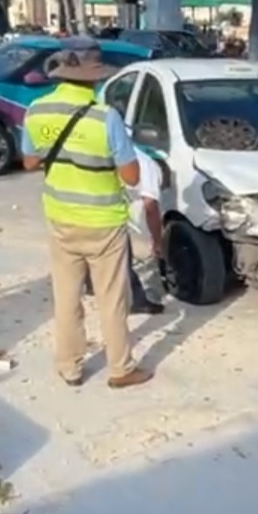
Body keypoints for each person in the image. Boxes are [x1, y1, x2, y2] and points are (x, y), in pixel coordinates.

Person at [23, 49, 151, 390]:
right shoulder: (106, 117)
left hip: (60, 217)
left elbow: (30, 162)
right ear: (94, 79)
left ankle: (69, 367)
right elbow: (132, 177)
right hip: (103, 222)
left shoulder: (36, 110)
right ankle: (120, 369)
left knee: (66, 295)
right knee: (111, 298)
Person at [127, 142, 166, 315]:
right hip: (131, 212)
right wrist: (157, 240)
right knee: (144, 255)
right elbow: (150, 205)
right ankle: (148, 300)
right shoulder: (148, 165)